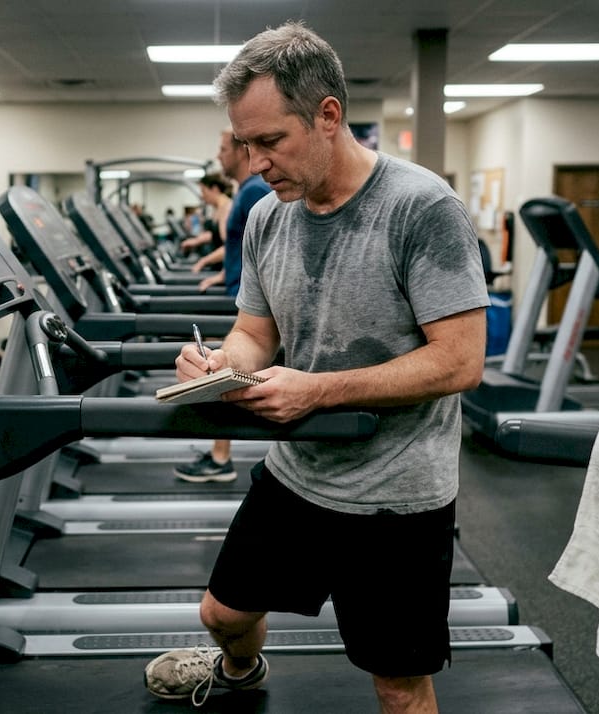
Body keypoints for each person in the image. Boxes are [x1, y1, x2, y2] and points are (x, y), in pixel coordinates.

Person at [143, 21, 488, 713]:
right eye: (246, 143)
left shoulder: (422, 208)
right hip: (299, 473)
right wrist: (218, 364)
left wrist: (319, 391)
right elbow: (253, 334)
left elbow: (461, 361)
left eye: (270, 141)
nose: (256, 161)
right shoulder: (273, 217)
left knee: (397, 685)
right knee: (222, 616)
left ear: (328, 115)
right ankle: (241, 671)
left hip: (397, 494)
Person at [172, 131, 272, 483]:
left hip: (248, 303)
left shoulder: (256, 192)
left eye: (222, 149)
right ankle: (219, 453)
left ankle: (220, 457)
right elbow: (243, 250)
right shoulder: (247, 193)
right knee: (219, 369)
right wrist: (220, 274)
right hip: (236, 293)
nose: (218, 157)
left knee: (224, 376)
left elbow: (264, 254)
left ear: (242, 150)